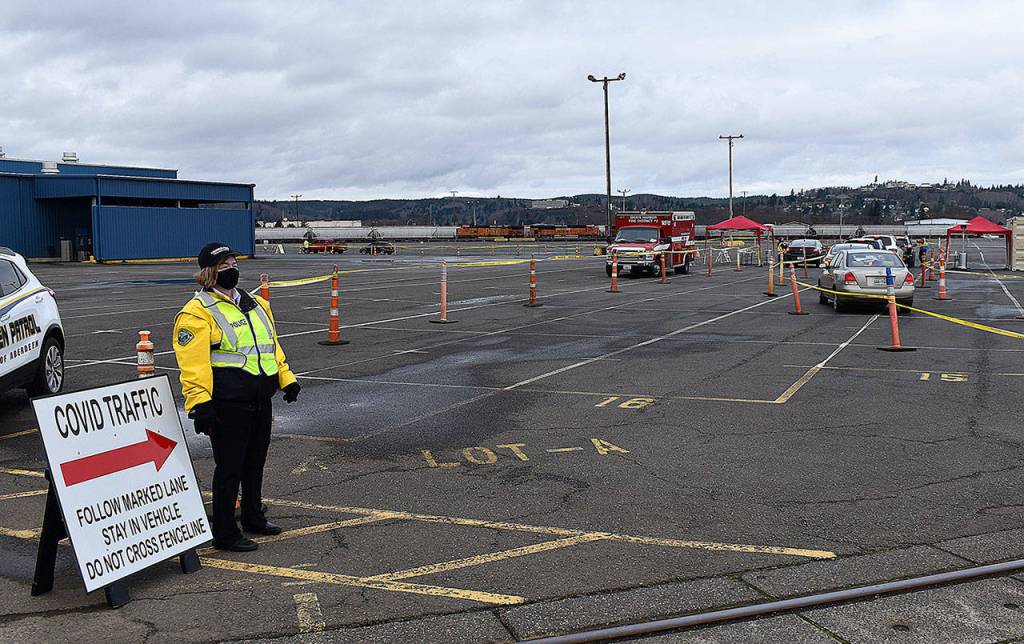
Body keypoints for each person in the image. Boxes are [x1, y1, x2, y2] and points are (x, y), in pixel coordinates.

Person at [173, 243, 301, 552]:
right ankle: (225, 532)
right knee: (229, 468)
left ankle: (253, 517)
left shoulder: (254, 304)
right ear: (210, 272)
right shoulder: (197, 313)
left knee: (255, 462)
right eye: (225, 264)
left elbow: (271, 346)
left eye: (234, 262)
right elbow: (193, 364)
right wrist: (199, 404)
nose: (233, 268)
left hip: (259, 398)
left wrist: (286, 379)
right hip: (227, 403)